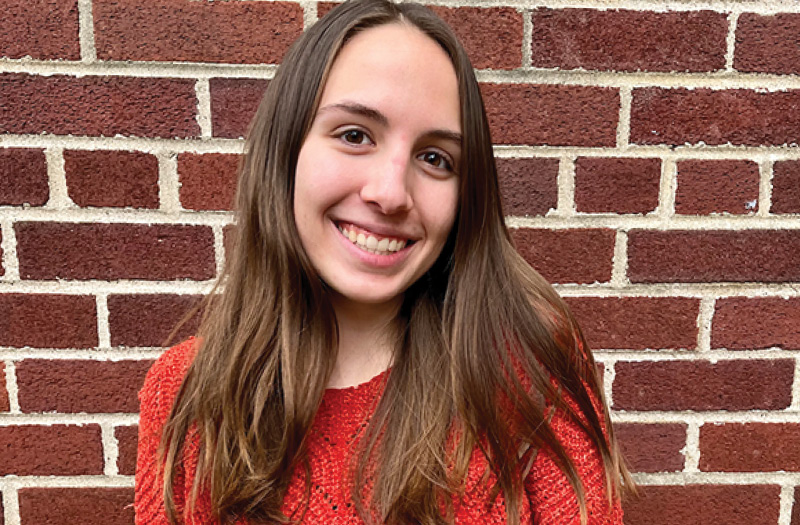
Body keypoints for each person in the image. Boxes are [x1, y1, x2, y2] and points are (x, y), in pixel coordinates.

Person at [135, 0, 632, 523]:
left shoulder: (525, 365)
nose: (392, 193)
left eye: (435, 158)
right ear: (286, 151)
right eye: (354, 135)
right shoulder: (187, 392)